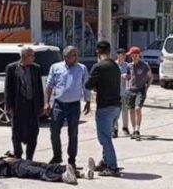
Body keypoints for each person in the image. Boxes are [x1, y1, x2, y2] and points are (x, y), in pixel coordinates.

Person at [45, 46, 90, 167]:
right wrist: (46, 103)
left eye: (76, 55)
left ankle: (72, 159)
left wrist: (88, 101)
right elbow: (49, 86)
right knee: (54, 131)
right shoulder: (56, 67)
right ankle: (57, 156)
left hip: (74, 105)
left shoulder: (82, 68)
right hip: (58, 104)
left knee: (73, 133)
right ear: (65, 57)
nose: (75, 58)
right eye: (72, 56)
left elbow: (86, 85)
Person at [85, 40, 123, 177]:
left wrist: (96, 86)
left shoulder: (98, 66)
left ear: (97, 52)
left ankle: (112, 167)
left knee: (105, 138)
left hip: (105, 106)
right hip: (116, 106)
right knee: (107, 135)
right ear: (109, 51)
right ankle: (105, 161)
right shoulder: (115, 66)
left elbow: (88, 85)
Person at [4, 46, 45, 160]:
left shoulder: (36, 68)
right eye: (32, 55)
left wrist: (42, 105)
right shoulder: (12, 68)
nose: (34, 58)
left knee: (33, 131)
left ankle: (29, 157)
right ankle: (18, 155)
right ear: (25, 56)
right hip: (18, 105)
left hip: (32, 105)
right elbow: (8, 88)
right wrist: (9, 106)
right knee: (17, 132)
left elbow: (39, 88)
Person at [0, 153, 78, 184]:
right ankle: (63, 177)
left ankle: (76, 173)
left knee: (44, 166)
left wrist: (9, 156)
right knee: (40, 172)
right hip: (15, 169)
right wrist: (4, 161)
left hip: (19, 162)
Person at [125, 46, 152, 139]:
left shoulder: (144, 65)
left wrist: (147, 87)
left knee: (137, 108)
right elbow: (128, 77)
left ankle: (137, 129)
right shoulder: (129, 66)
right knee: (131, 110)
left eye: (135, 55)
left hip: (140, 90)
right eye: (132, 56)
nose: (134, 57)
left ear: (138, 55)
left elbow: (150, 77)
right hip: (131, 90)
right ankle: (133, 130)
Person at [114, 48, 130, 138]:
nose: (124, 56)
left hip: (125, 92)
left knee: (125, 111)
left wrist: (128, 76)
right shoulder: (114, 65)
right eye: (122, 55)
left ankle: (125, 127)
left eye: (125, 55)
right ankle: (115, 129)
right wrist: (121, 76)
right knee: (115, 112)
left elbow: (131, 76)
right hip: (115, 92)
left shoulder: (127, 65)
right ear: (118, 55)